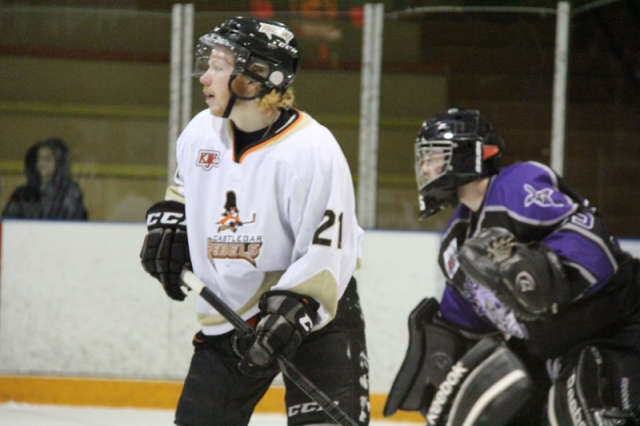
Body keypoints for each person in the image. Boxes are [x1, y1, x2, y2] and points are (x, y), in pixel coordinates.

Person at [139, 17, 369, 426]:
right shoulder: (199, 133)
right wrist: (172, 221)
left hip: (311, 315)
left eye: (219, 66)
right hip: (229, 310)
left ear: (255, 76)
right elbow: (184, 189)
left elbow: (330, 247)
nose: (205, 77)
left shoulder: (311, 150)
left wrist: (295, 304)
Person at [384, 108, 640, 425]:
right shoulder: (456, 240)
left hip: (615, 326)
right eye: (423, 158)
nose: (424, 166)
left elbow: (594, 245)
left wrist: (546, 274)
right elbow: (463, 321)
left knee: (596, 410)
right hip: (549, 345)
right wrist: (444, 363)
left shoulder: (514, 185)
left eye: (434, 155)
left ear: (468, 154)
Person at [2, 137, 88, 220]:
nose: (42, 163)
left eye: (47, 159)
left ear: (59, 163)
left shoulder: (70, 192)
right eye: (39, 158)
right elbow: (9, 222)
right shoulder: (22, 194)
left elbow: (75, 223)